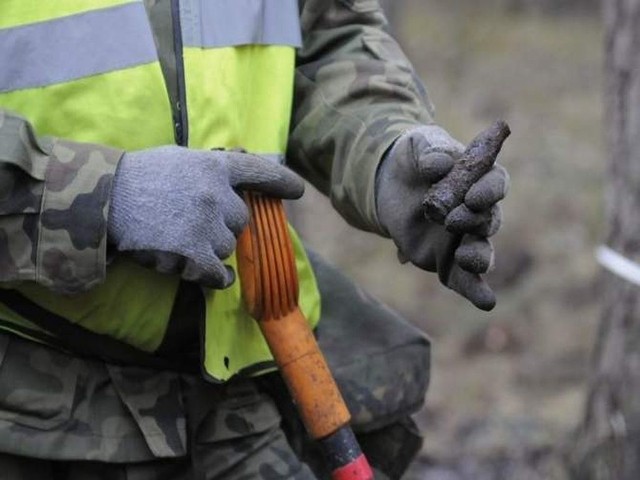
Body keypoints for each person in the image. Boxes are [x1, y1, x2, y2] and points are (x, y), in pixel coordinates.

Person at [0, 0, 508, 478]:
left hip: (244, 394)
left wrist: (384, 154)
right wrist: (100, 198)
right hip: (30, 418)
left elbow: (327, 35)